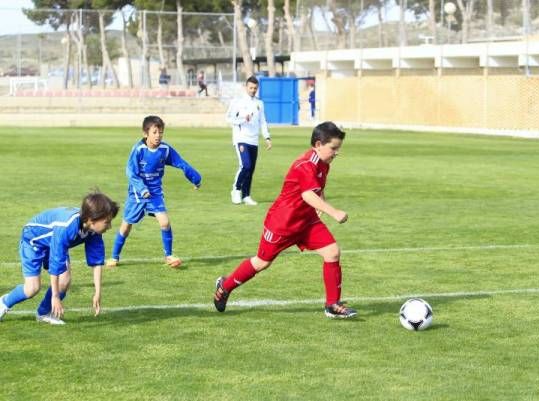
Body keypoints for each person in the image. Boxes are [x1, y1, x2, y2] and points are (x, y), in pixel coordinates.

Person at [213, 121, 357, 319]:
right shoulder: (305, 165)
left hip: (306, 221)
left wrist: (321, 202)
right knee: (261, 262)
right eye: (333, 148)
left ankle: (332, 304)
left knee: (332, 252)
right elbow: (307, 195)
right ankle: (225, 286)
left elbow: (317, 188)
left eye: (338, 148)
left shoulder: (323, 163)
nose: (336, 153)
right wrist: (333, 211)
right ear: (317, 144)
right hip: (283, 223)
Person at [0, 191, 119, 325]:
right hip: (33, 240)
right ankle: (4, 303)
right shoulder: (66, 227)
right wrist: (55, 297)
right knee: (32, 288)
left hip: (54, 242)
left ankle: (43, 313)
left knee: (65, 281)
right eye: (107, 222)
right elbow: (56, 263)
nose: (109, 226)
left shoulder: (93, 231)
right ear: (91, 220)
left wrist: (97, 292)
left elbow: (96, 262)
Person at [107, 115, 202, 269]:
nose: (158, 136)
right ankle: (114, 256)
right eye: (155, 132)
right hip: (137, 194)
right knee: (126, 226)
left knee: (165, 222)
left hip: (155, 193)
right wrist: (142, 189)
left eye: (161, 132)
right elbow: (131, 172)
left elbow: (181, 163)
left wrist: (195, 178)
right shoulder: (138, 150)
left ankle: (169, 256)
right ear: (146, 133)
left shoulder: (165, 149)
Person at [227, 76, 272, 206]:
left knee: (251, 169)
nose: (253, 90)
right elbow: (228, 118)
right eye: (251, 88)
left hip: (254, 140)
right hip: (241, 138)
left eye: (255, 88)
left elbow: (262, 121)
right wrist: (242, 119)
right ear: (246, 87)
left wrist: (267, 137)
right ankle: (236, 190)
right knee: (245, 165)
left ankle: (246, 195)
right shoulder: (237, 102)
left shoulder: (259, 103)